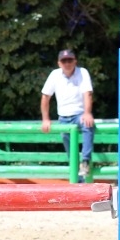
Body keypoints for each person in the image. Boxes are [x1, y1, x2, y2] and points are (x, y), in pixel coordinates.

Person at [40, 49, 95, 182]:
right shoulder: (55, 75)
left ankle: (85, 161)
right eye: (64, 61)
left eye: (70, 60)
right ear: (59, 63)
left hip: (79, 114)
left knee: (88, 125)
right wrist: (45, 119)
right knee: (70, 150)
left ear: (75, 61)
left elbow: (87, 93)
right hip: (63, 117)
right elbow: (45, 97)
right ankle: (78, 178)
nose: (67, 63)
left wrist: (87, 113)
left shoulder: (82, 72)